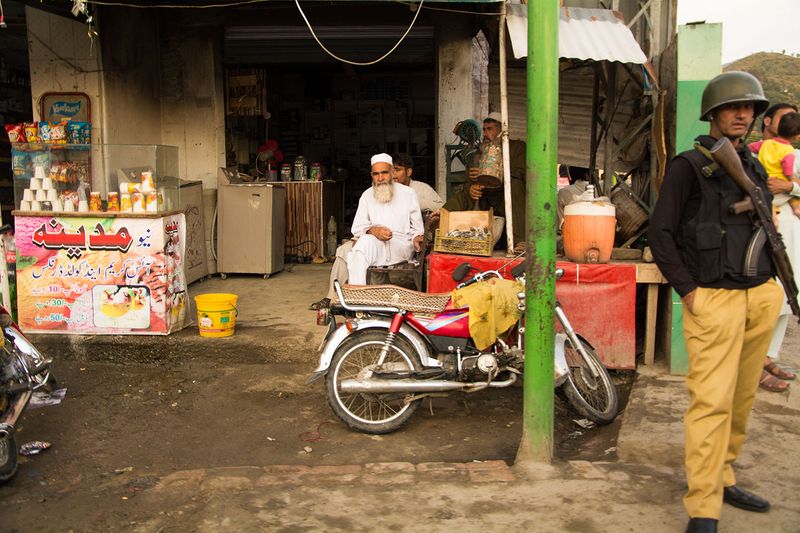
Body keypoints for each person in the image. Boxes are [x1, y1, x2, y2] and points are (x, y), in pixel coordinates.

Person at [648, 71, 784, 533]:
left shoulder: (756, 164)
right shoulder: (690, 165)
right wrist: (689, 291)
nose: (743, 114)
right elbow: (660, 233)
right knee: (710, 402)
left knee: (742, 399)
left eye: (750, 107)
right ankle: (704, 507)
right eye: (733, 107)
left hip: (760, 296)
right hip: (714, 298)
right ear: (713, 113)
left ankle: (723, 475)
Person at [309, 153, 424, 309]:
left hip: (400, 245)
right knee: (354, 249)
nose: (380, 177)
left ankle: (342, 298)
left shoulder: (408, 194)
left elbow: (417, 228)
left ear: (391, 172)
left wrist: (418, 237)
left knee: (352, 250)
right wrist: (372, 230)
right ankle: (358, 299)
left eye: (384, 172)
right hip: (374, 245)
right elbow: (357, 227)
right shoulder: (367, 195)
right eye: (376, 174)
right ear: (372, 175)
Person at [748, 103, 800, 392]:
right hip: (764, 230)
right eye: (785, 117)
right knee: (765, 297)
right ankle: (754, 364)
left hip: (792, 232)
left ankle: (769, 357)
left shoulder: (796, 155)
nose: (792, 121)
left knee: (787, 297)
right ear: (767, 121)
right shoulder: (752, 153)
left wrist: (790, 188)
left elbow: (790, 184)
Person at [443, 112, 526, 250]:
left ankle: (520, 241)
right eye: (484, 129)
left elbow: (521, 173)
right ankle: (442, 217)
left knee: (514, 184)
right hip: (486, 197)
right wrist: (472, 186)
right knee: (466, 192)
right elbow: (470, 179)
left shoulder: (518, 147)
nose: (486, 133)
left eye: (490, 129)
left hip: (507, 197)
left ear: (501, 130)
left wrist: (492, 172)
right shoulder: (480, 151)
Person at [757, 112, 800, 215]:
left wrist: (790, 186)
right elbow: (788, 169)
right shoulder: (788, 151)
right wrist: (792, 181)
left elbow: (750, 147)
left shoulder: (763, 145)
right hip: (770, 197)